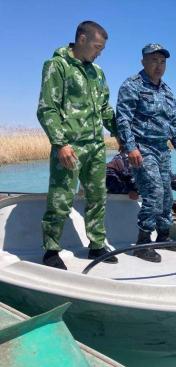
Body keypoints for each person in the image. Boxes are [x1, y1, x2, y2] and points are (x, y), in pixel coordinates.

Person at [37, 21, 118, 270]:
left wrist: (122, 135)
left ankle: (96, 245)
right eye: (96, 47)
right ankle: (51, 250)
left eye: (102, 49)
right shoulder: (57, 65)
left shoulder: (97, 73)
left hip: (95, 146)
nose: (99, 52)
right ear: (81, 39)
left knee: (97, 196)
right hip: (69, 147)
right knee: (61, 197)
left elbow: (105, 110)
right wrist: (60, 143)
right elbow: (46, 108)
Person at [116, 43, 176, 262]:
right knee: (154, 192)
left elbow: (173, 122)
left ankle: (164, 235)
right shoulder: (132, 85)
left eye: (162, 62)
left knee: (167, 194)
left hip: (162, 149)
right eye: (154, 60)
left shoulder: (167, 91)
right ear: (143, 61)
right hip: (142, 148)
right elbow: (123, 118)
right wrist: (131, 148)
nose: (159, 66)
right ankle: (142, 242)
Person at [106, 152, 176, 198]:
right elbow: (107, 178)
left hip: (138, 201)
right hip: (118, 200)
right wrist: (126, 191)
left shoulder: (156, 161)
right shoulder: (123, 159)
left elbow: (170, 179)